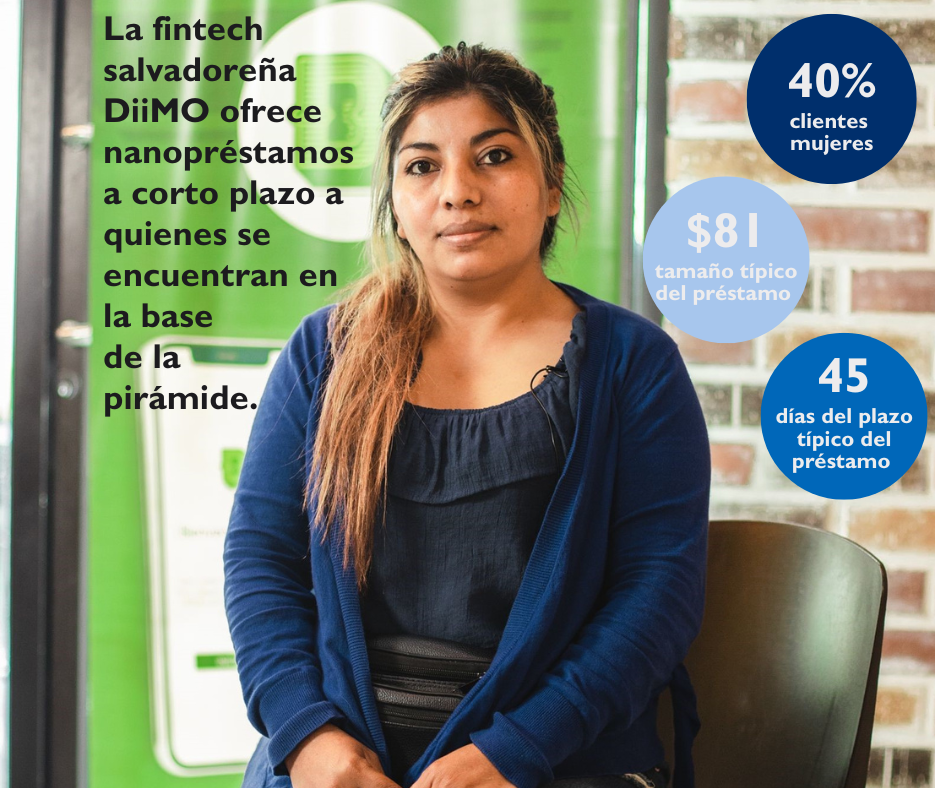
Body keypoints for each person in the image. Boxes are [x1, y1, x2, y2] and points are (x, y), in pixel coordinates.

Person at [224, 43, 710, 788]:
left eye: (494, 156)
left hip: (559, 756)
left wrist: (511, 755)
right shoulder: (324, 354)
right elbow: (261, 564)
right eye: (423, 165)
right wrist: (309, 739)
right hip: (337, 759)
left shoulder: (634, 366)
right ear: (395, 201)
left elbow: (657, 595)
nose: (457, 190)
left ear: (551, 189)